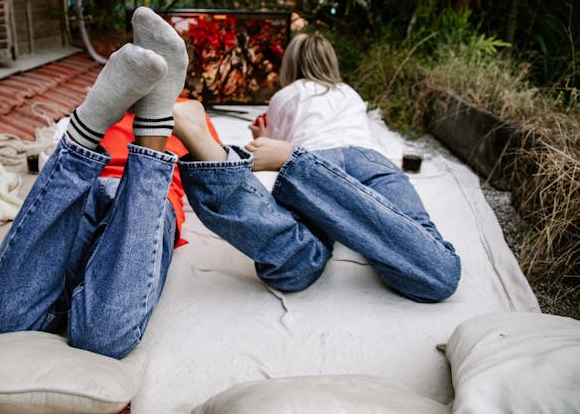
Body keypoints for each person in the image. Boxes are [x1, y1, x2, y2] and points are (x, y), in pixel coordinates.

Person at [0, 7, 218, 359]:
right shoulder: (116, 95)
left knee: (99, 339)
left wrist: (180, 119)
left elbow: (212, 169)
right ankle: (91, 125)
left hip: (148, 195)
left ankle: (153, 125)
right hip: (90, 183)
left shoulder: (191, 108)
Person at [173, 33, 461, 303]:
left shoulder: (283, 97)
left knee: (294, 267)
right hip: (368, 159)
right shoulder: (349, 93)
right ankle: (296, 163)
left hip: (313, 160)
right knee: (438, 272)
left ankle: (214, 155)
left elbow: (271, 148)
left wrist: (271, 145)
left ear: (290, 66)